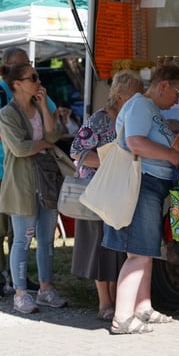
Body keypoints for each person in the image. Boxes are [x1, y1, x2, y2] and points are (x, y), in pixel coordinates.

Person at [102, 64, 179, 334]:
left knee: (145, 252)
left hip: (149, 185)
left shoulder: (146, 108)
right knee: (138, 253)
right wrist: (171, 155)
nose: (178, 100)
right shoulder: (141, 105)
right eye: (177, 91)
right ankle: (123, 317)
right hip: (144, 185)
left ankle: (143, 307)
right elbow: (135, 142)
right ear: (163, 85)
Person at [69, 70, 143, 321]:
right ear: (120, 96)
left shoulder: (131, 119)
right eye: (135, 94)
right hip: (98, 192)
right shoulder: (100, 120)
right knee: (100, 247)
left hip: (119, 191)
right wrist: (110, 163)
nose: (139, 99)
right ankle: (104, 302)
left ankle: (116, 298)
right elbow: (77, 152)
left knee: (116, 248)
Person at [0, 47, 54, 301]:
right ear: (9, 71)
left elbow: (52, 124)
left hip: (33, 171)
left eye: (30, 66)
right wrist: (19, 137)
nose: (32, 75)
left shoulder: (36, 95)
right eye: (22, 67)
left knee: (20, 231)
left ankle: (18, 279)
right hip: (1, 170)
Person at [0, 62, 69, 314]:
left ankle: (45, 289)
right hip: (22, 184)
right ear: (17, 84)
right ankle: (20, 293)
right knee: (23, 239)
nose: (38, 81)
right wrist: (42, 145)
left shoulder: (39, 107)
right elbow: (20, 148)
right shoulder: (8, 114)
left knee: (47, 239)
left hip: (45, 181)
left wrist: (44, 106)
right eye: (33, 77)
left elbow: (53, 135)